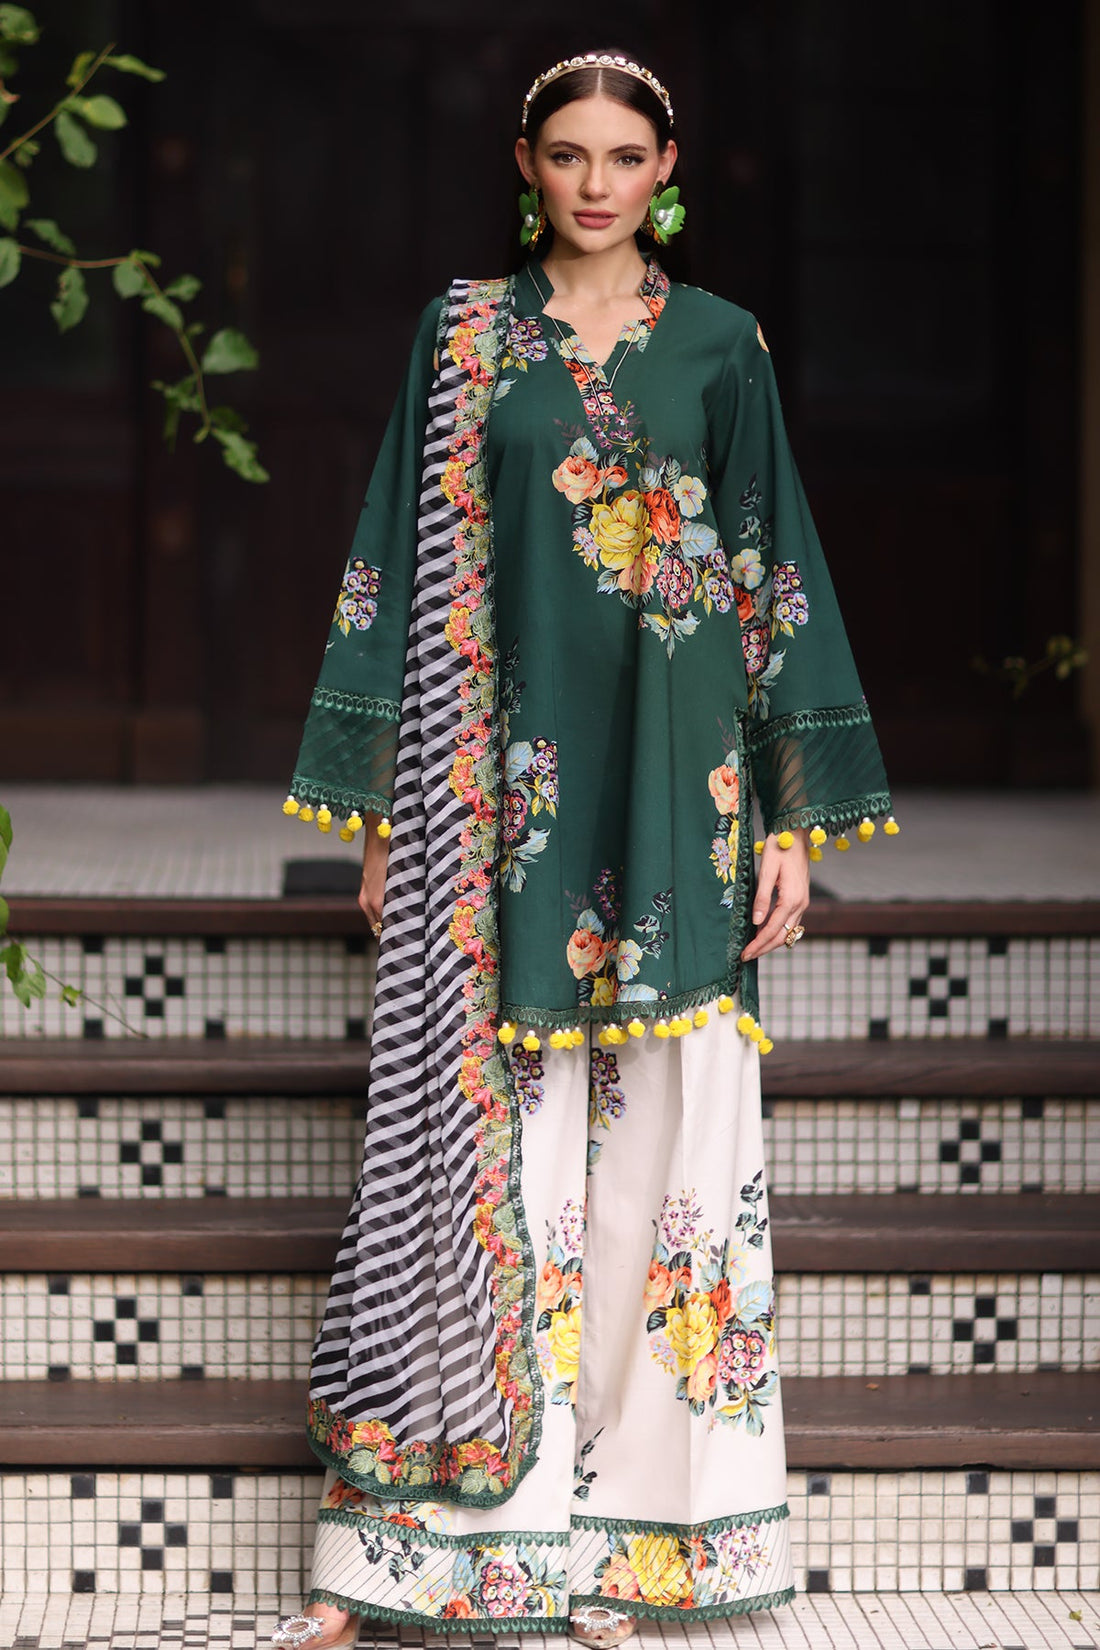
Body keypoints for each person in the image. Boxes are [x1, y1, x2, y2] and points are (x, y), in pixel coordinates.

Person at [273, 49, 894, 1649]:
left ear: (665, 166)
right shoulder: (465, 337)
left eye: (624, 156)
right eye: (568, 154)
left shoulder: (724, 346)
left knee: (652, 1178)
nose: (596, 182)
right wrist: (394, 809)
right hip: (498, 807)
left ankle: (627, 1546)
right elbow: (395, 556)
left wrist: (791, 819)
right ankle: (424, 1553)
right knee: (493, 1163)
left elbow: (772, 571)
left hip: (684, 800)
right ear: (526, 163)